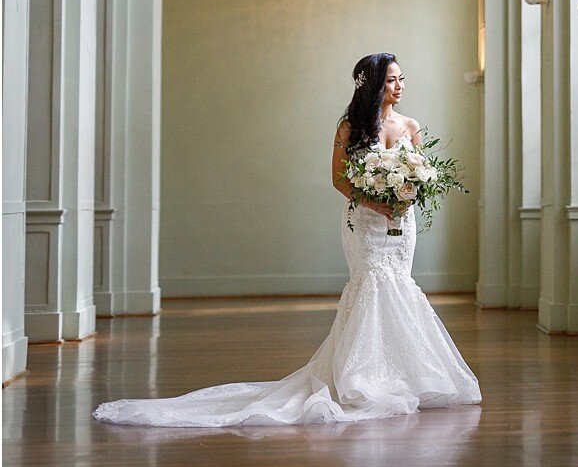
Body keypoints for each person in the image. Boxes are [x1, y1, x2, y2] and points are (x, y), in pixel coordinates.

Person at [92, 53, 481, 426]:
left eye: (401, 78)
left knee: (400, 286)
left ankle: (410, 375)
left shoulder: (411, 126)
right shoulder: (350, 127)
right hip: (364, 223)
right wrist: (375, 203)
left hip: (401, 224)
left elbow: (424, 173)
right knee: (370, 287)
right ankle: (362, 378)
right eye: (391, 80)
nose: (399, 86)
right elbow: (339, 179)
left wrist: (407, 195)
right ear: (373, 86)